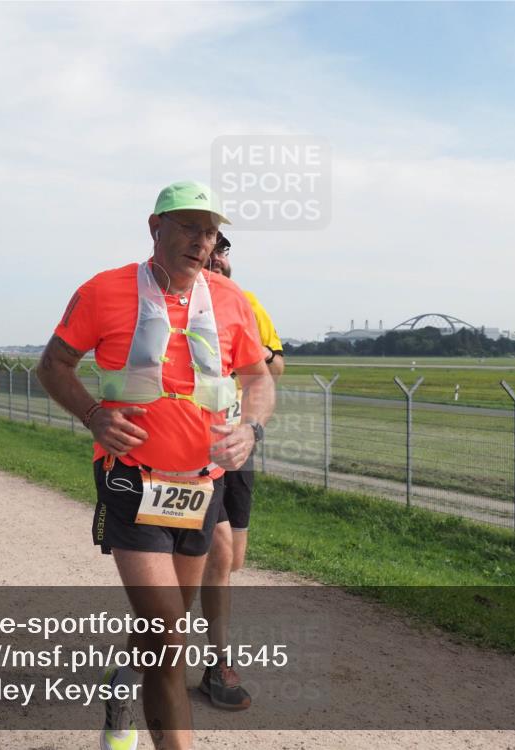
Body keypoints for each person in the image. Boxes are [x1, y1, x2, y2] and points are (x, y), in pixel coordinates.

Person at [37, 180, 275, 750]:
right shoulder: (104, 290)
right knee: (169, 638)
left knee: (163, 627)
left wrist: (252, 429)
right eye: (188, 226)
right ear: (155, 227)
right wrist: (93, 415)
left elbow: (258, 377)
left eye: (210, 231)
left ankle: (123, 689)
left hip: (202, 486)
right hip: (132, 480)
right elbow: (53, 365)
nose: (201, 240)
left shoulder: (231, 298)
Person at [199, 232, 285, 710]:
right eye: (211, 248)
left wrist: (260, 353)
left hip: (235, 445)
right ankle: (216, 662)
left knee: (231, 560)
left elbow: (275, 370)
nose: (218, 257)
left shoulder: (247, 304)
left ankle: (154, 646)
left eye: (224, 250)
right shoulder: (172, 303)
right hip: (188, 450)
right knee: (216, 551)